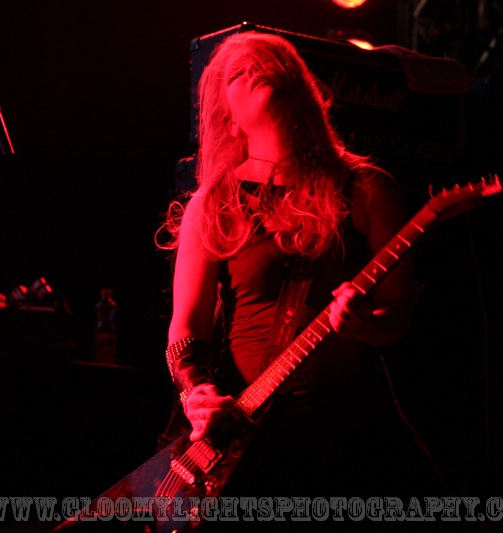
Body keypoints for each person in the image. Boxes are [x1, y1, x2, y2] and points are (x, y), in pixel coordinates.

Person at [157, 32, 444, 530]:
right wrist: (195, 393)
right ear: (227, 114)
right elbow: (186, 328)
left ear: (303, 86)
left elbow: (399, 314)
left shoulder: (367, 187)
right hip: (249, 438)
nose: (255, 69)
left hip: (350, 433)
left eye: (269, 62)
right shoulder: (214, 202)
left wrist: (364, 325)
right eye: (238, 72)